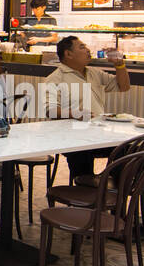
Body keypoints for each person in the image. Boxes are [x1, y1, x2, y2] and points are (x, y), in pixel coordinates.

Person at [45, 35, 132, 182]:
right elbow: (50, 110)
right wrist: (75, 114)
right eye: (82, 47)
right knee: (80, 150)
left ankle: (113, 187)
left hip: (98, 131)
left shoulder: (93, 72)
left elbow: (123, 86)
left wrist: (119, 65)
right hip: (72, 136)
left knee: (127, 147)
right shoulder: (55, 78)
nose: (88, 50)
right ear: (68, 54)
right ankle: (85, 190)